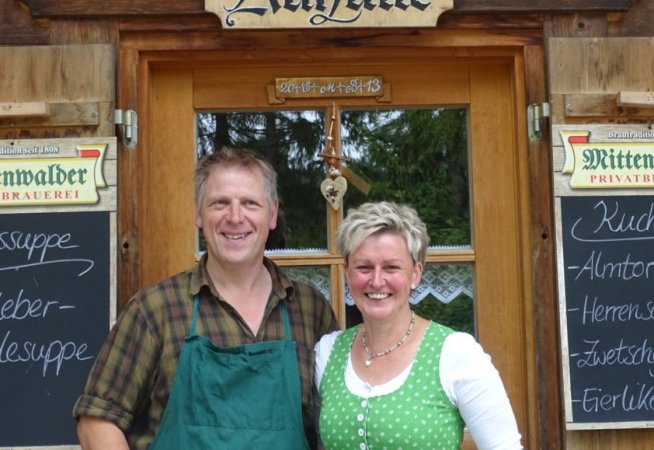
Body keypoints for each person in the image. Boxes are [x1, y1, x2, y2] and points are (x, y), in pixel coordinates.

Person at [73, 147, 339, 450]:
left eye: (250, 203)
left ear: (272, 214)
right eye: (220, 203)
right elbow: (97, 420)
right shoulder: (155, 310)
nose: (235, 217)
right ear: (199, 214)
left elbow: (339, 418)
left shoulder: (309, 309)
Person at [315, 201, 523, 449]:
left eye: (391, 267)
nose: (377, 280)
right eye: (364, 267)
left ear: (415, 273)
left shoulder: (455, 354)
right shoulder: (328, 352)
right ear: (347, 272)